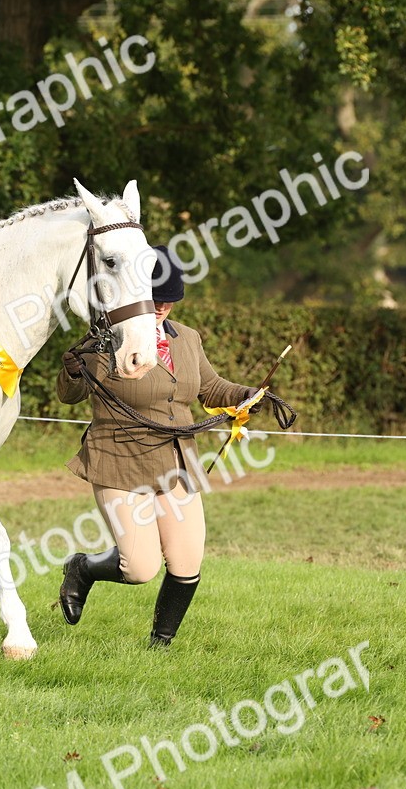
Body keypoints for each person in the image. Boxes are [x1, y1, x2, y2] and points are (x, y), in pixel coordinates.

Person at [56, 246, 262, 648]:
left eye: (172, 298)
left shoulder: (187, 339)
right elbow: (71, 394)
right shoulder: (107, 339)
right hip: (120, 459)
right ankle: (82, 568)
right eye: (156, 298)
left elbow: (210, 388)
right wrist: (72, 372)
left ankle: (159, 646)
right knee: (140, 568)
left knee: (186, 562)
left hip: (177, 461)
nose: (165, 305)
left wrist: (249, 394)